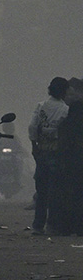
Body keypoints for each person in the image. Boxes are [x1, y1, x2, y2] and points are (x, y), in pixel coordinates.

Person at [28, 77, 69, 235]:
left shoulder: (41, 106)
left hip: (41, 150)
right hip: (57, 152)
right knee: (55, 189)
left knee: (42, 189)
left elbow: (33, 126)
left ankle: (38, 225)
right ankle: (52, 225)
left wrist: (34, 146)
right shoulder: (65, 110)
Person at [48, 78, 83, 236]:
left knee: (68, 195)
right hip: (74, 162)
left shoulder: (68, 120)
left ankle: (66, 226)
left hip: (70, 164)